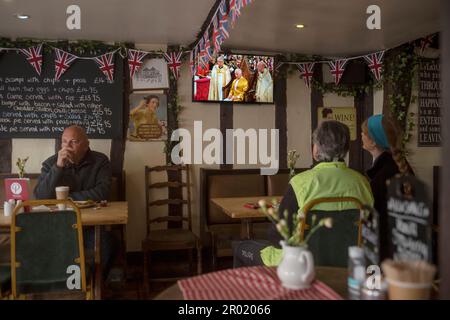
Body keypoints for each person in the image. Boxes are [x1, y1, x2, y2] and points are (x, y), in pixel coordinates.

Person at [233, 121, 374, 267]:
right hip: (348, 263)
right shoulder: (362, 182)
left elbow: (278, 238)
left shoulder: (301, 183)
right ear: (345, 149)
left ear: (316, 149)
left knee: (241, 248)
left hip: (299, 264)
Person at [34, 125, 117, 277]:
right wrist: (58, 167)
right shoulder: (51, 163)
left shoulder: (100, 161)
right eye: (64, 142)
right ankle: (68, 283)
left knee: (107, 245)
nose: (67, 146)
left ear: (86, 145)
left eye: (73, 141)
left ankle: (90, 283)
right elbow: (40, 197)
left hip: (90, 228)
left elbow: (102, 192)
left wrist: (67, 199)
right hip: (58, 227)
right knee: (34, 243)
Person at [361, 114, 413, 261]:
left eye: (364, 133)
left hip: (386, 253)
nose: (361, 135)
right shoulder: (398, 165)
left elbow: (375, 218)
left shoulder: (383, 174)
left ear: (374, 141)